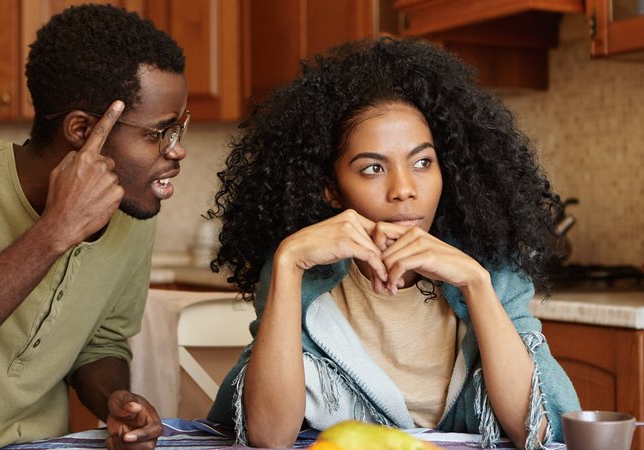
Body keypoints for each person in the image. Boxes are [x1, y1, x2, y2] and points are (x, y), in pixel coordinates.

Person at [206, 37, 580, 449]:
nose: (404, 189)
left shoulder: (491, 264)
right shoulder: (307, 276)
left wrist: (476, 283)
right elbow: (269, 437)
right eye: (372, 168)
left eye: (423, 162)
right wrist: (289, 261)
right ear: (331, 188)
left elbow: (542, 432)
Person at [0, 4, 189, 449]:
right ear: (82, 130)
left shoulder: (130, 205)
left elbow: (101, 342)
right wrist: (53, 233)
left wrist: (112, 400)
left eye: (179, 129)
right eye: (160, 133)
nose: (176, 152)